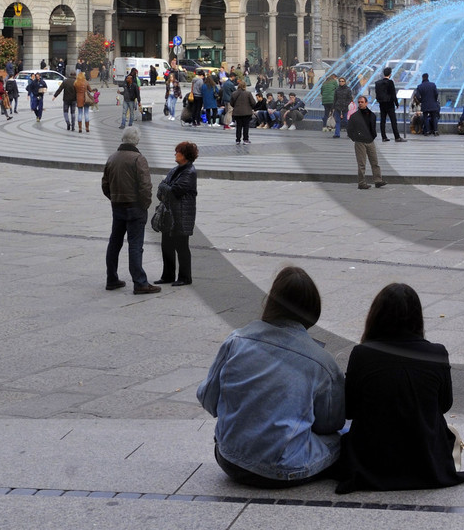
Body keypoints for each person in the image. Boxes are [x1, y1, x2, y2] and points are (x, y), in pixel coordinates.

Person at [197, 266, 344, 487]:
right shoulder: (322, 362)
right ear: (313, 309)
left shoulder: (236, 341)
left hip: (229, 458)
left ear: (272, 301)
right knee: (344, 437)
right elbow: (330, 423)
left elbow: (208, 400)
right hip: (283, 469)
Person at [335, 283, 464, 495]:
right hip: (425, 460)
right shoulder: (436, 353)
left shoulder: (362, 354)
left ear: (375, 317)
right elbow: (445, 405)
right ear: (418, 318)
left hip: (373, 463)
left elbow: (350, 410)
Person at [102, 127, 158, 294]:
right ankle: (140, 282)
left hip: (117, 205)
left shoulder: (112, 158)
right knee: (135, 244)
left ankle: (111, 278)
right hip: (134, 207)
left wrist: (114, 197)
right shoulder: (138, 159)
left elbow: (105, 184)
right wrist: (145, 204)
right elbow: (145, 186)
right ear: (137, 141)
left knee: (115, 243)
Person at [155, 141, 199, 286]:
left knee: (181, 247)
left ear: (185, 155)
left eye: (177, 152)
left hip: (182, 216)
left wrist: (165, 186)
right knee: (166, 245)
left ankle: (185, 277)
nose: (175, 154)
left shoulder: (190, 172)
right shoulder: (175, 170)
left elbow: (175, 191)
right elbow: (160, 191)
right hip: (169, 214)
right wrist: (165, 187)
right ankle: (167, 275)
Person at [347, 95, 386, 189]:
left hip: (370, 141)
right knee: (361, 164)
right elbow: (349, 130)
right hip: (360, 142)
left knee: (375, 162)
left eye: (362, 102)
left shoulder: (372, 115)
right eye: (359, 102)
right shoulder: (354, 116)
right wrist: (355, 138)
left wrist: (373, 136)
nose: (360, 103)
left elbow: (373, 127)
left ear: (366, 103)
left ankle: (378, 180)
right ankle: (361, 183)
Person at [374, 68, 403, 142]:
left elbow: (377, 93)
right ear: (390, 74)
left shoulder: (377, 83)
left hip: (382, 104)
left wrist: (379, 100)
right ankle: (397, 137)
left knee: (382, 120)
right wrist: (397, 103)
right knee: (393, 120)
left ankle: (384, 137)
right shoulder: (390, 82)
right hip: (389, 104)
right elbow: (393, 94)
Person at [413, 73, 440, 137]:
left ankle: (427, 131)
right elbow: (436, 93)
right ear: (428, 77)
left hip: (425, 104)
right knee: (434, 117)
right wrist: (435, 100)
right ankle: (435, 131)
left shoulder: (420, 86)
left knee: (425, 118)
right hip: (433, 104)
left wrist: (421, 101)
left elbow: (417, 95)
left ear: (422, 78)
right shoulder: (433, 85)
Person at [231, 78, 256, 144]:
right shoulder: (248, 93)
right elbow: (253, 103)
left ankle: (238, 140)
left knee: (238, 126)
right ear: (245, 86)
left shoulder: (234, 93)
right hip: (246, 113)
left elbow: (231, 103)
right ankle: (245, 139)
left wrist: (236, 107)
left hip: (237, 113)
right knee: (246, 126)